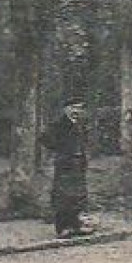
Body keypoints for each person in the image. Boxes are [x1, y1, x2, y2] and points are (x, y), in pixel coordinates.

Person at [40, 99, 91, 238]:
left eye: (79, 108)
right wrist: (60, 149)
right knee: (63, 196)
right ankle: (62, 228)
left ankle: (75, 225)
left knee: (78, 195)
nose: (76, 111)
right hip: (65, 164)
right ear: (66, 109)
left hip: (78, 163)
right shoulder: (59, 124)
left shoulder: (81, 124)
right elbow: (44, 138)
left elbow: (84, 142)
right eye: (73, 107)